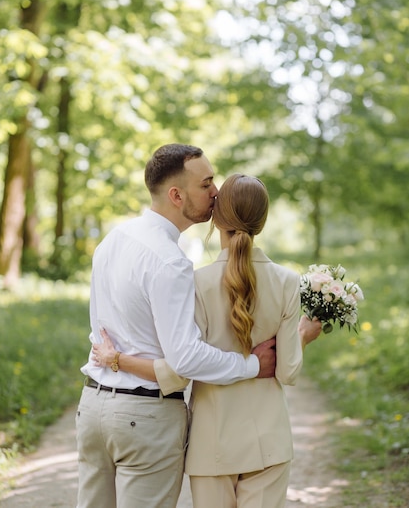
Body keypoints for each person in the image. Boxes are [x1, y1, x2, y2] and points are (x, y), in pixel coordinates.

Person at [92, 173, 322, 508]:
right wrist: (302, 336)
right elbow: (287, 371)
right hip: (269, 443)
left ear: (217, 217)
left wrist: (118, 360)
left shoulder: (196, 282)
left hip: (211, 445)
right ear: (263, 221)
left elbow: (181, 367)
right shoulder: (287, 282)